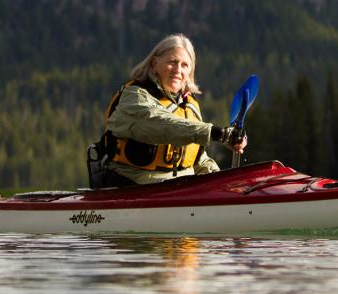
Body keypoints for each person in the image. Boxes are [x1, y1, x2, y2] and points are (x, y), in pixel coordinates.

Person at [98, 34, 247, 187]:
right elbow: (165, 126)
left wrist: (224, 182)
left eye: (184, 65)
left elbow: (197, 158)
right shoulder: (134, 97)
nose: (178, 70)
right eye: (172, 62)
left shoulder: (189, 104)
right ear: (155, 63)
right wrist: (218, 133)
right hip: (134, 185)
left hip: (178, 187)